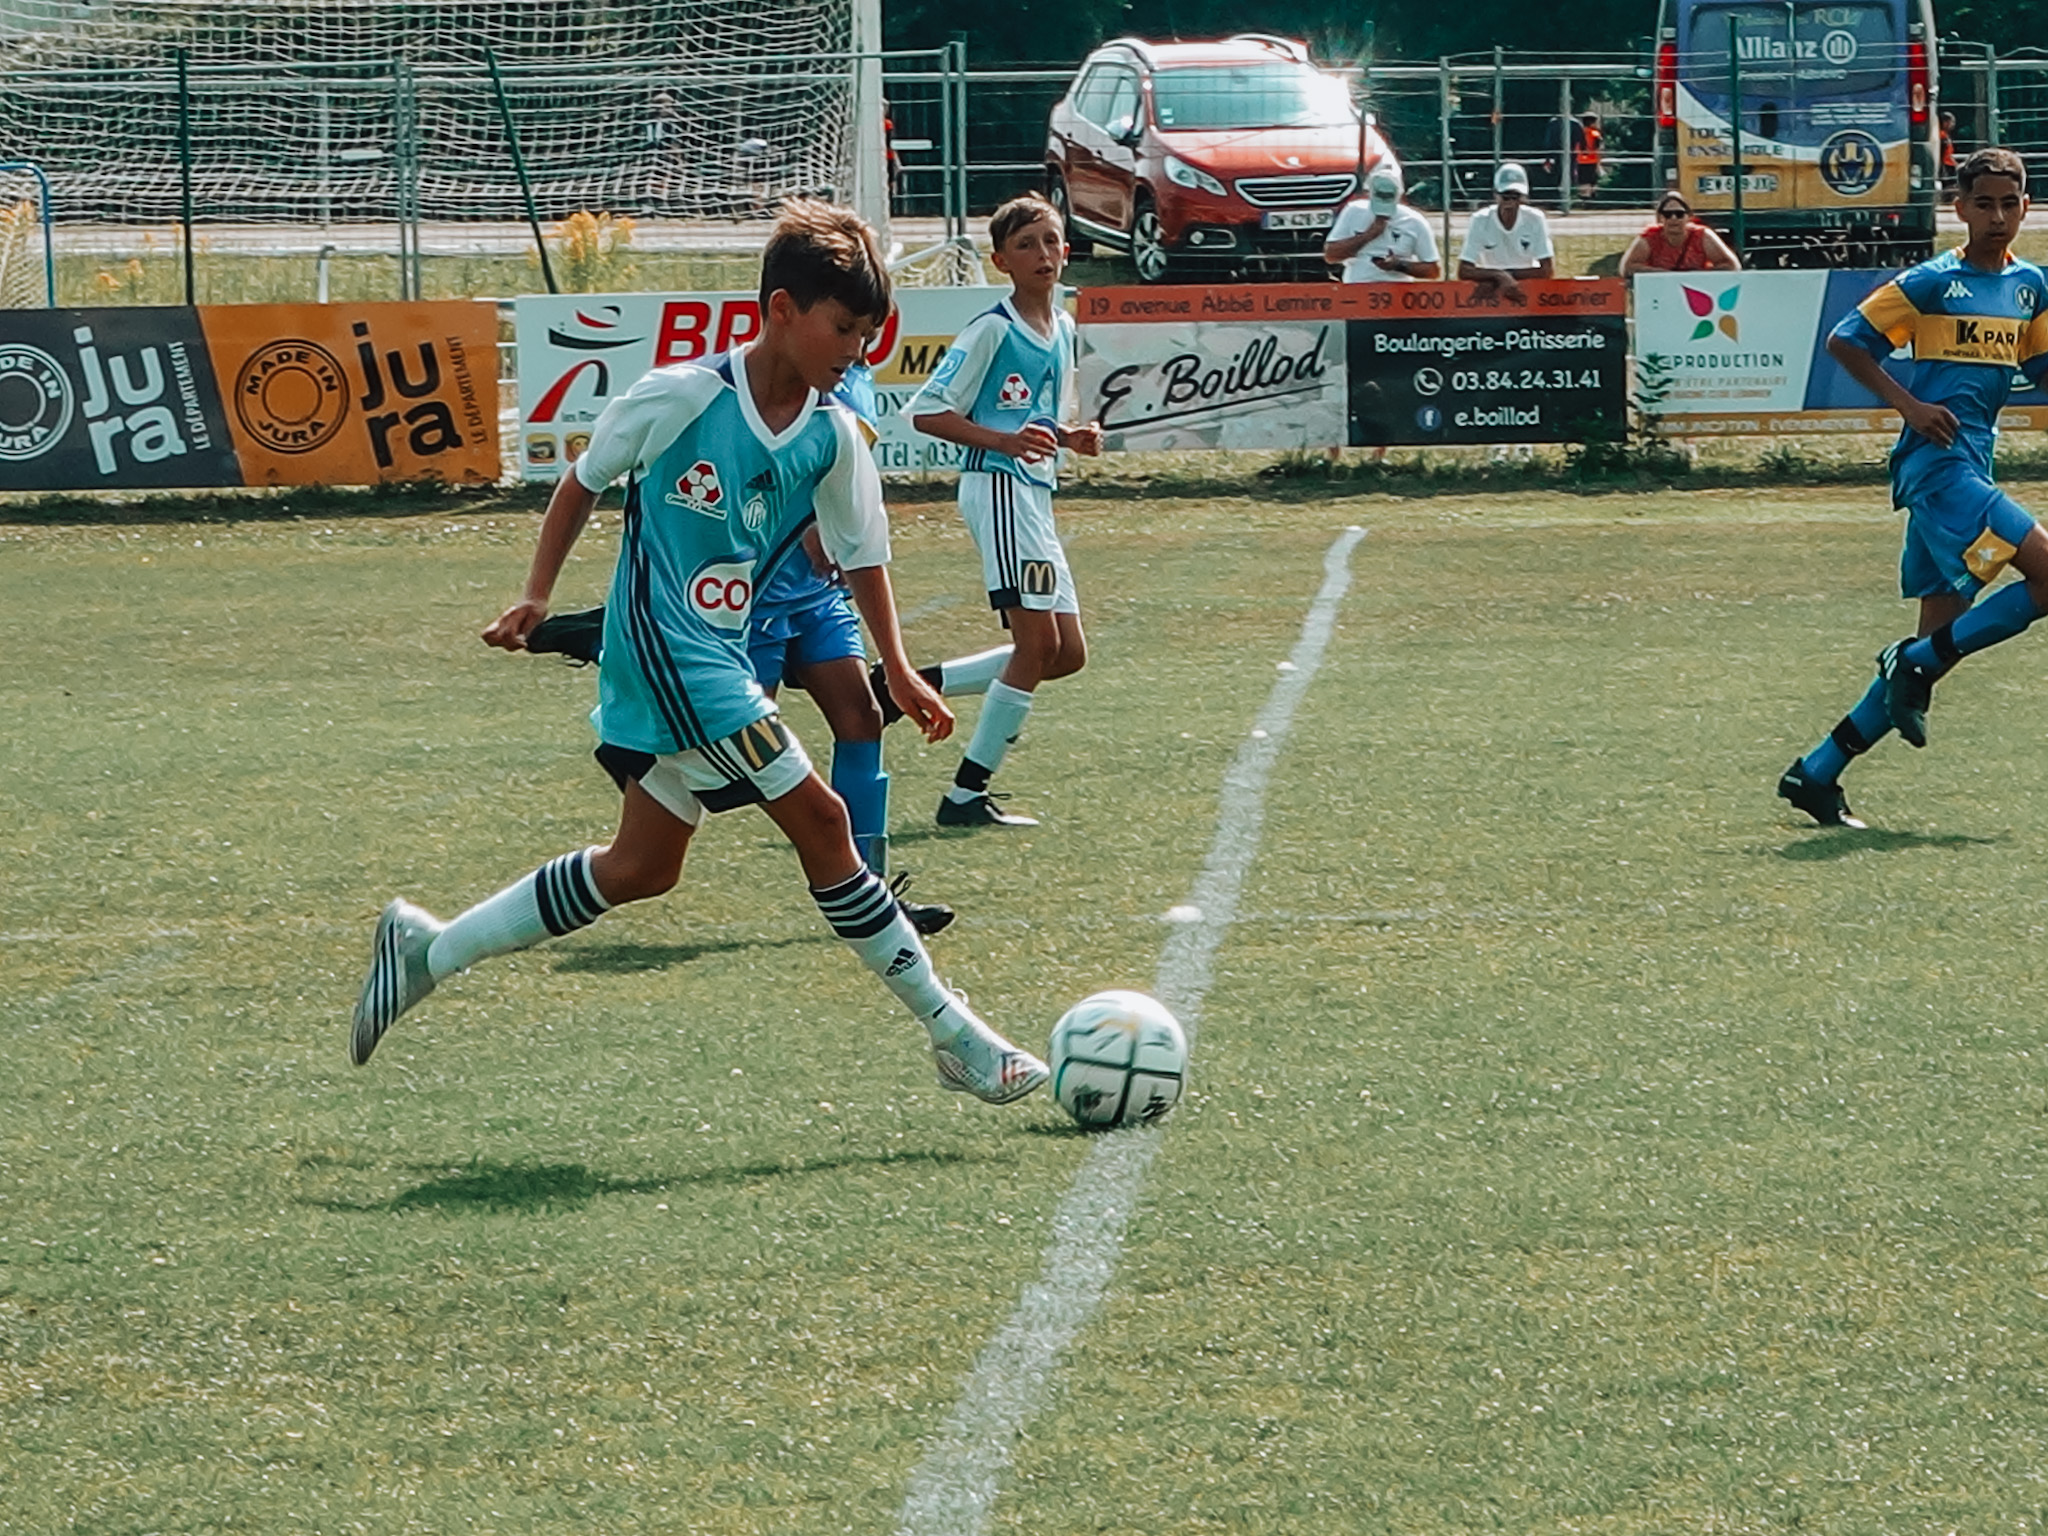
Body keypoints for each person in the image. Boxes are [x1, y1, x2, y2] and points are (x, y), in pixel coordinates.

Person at [348, 199, 1049, 1107]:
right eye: (842, 328)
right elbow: (583, 480)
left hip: (719, 657)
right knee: (826, 824)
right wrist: (536, 592)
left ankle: (427, 952)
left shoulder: (834, 436)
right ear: (782, 311)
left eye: (868, 336)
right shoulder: (683, 396)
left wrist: (901, 666)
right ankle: (957, 1038)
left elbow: (864, 554)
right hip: (669, 659)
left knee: (643, 867)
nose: (854, 352)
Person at [1777, 148, 2048, 829]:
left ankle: (1817, 771)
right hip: (1938, 469)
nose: (1997, 216)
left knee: (1940, 645)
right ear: (1958, 207)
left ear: (2026, 206)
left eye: (2009, 203)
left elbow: (2044, 372)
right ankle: (1913, 662)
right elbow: (1846, 340)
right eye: (1983, 203)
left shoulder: (2032, 288)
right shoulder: (1933, 281)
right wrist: (1909, 406)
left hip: (1973, 467)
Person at [907, 191, 1104, 829]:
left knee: (1066, 654)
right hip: (996, 488)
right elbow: (927, 412)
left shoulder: (1064, 326)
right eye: (1026, 245)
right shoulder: (992, 328)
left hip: (1031, 494)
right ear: (1001, 262)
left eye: (1051, 241)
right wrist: (1005, 442)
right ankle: (965, 794)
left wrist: (1069, 437)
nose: (1043, 255)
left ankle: (904, 686)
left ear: (1068, 250)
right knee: (1035, 643)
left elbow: (1035, 418)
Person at [1323, 163, 1442, 283]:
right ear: (1369, 193)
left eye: (1389, 197)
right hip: (1357, 289)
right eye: (1380, 197)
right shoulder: (1353, 211)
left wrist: (1399, 265)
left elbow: (1433, 271)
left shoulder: (1414, 221)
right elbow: (1331, 255)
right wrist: (1368, 235)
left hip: (1397, 291)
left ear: (1399, 195)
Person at [1457, 162, 1554, 304]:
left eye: (1515, 197)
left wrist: (1504, 277)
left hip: (1524, 289)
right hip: (1492, 292)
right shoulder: (1480, 220)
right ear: (1495, 194)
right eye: (1505, 196)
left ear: (1523, 197)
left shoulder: (1535, 219)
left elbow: (1547, 270)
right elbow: (1463, 270)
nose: (1510, 202)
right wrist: (1500, 276)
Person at [1618, 193, 1742, 276]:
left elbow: (1732, 266)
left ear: (1688, 217)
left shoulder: (1703, 236)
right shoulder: (1649, 237)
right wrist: (1665, 275)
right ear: (1660, 218)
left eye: (1679, 214)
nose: (1673, 218)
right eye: (1667, 214)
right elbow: (1627, 268)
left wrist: (1698, 275)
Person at [1574, 112, 1603, 202]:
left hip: (1580, 160)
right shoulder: (1595, 133)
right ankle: (1592, 198)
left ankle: (1584, 198)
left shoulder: (1578, 132)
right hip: (1592, 160)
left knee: (1582, 181)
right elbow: (1599, 146)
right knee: (1592, 180)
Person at [1939, 110, 1958, 193]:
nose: (1953, 124)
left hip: (1949, 164)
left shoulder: (1945, 135)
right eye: (1951, 122)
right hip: (1946, 165)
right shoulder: (1941, 135)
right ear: (1945, 122)